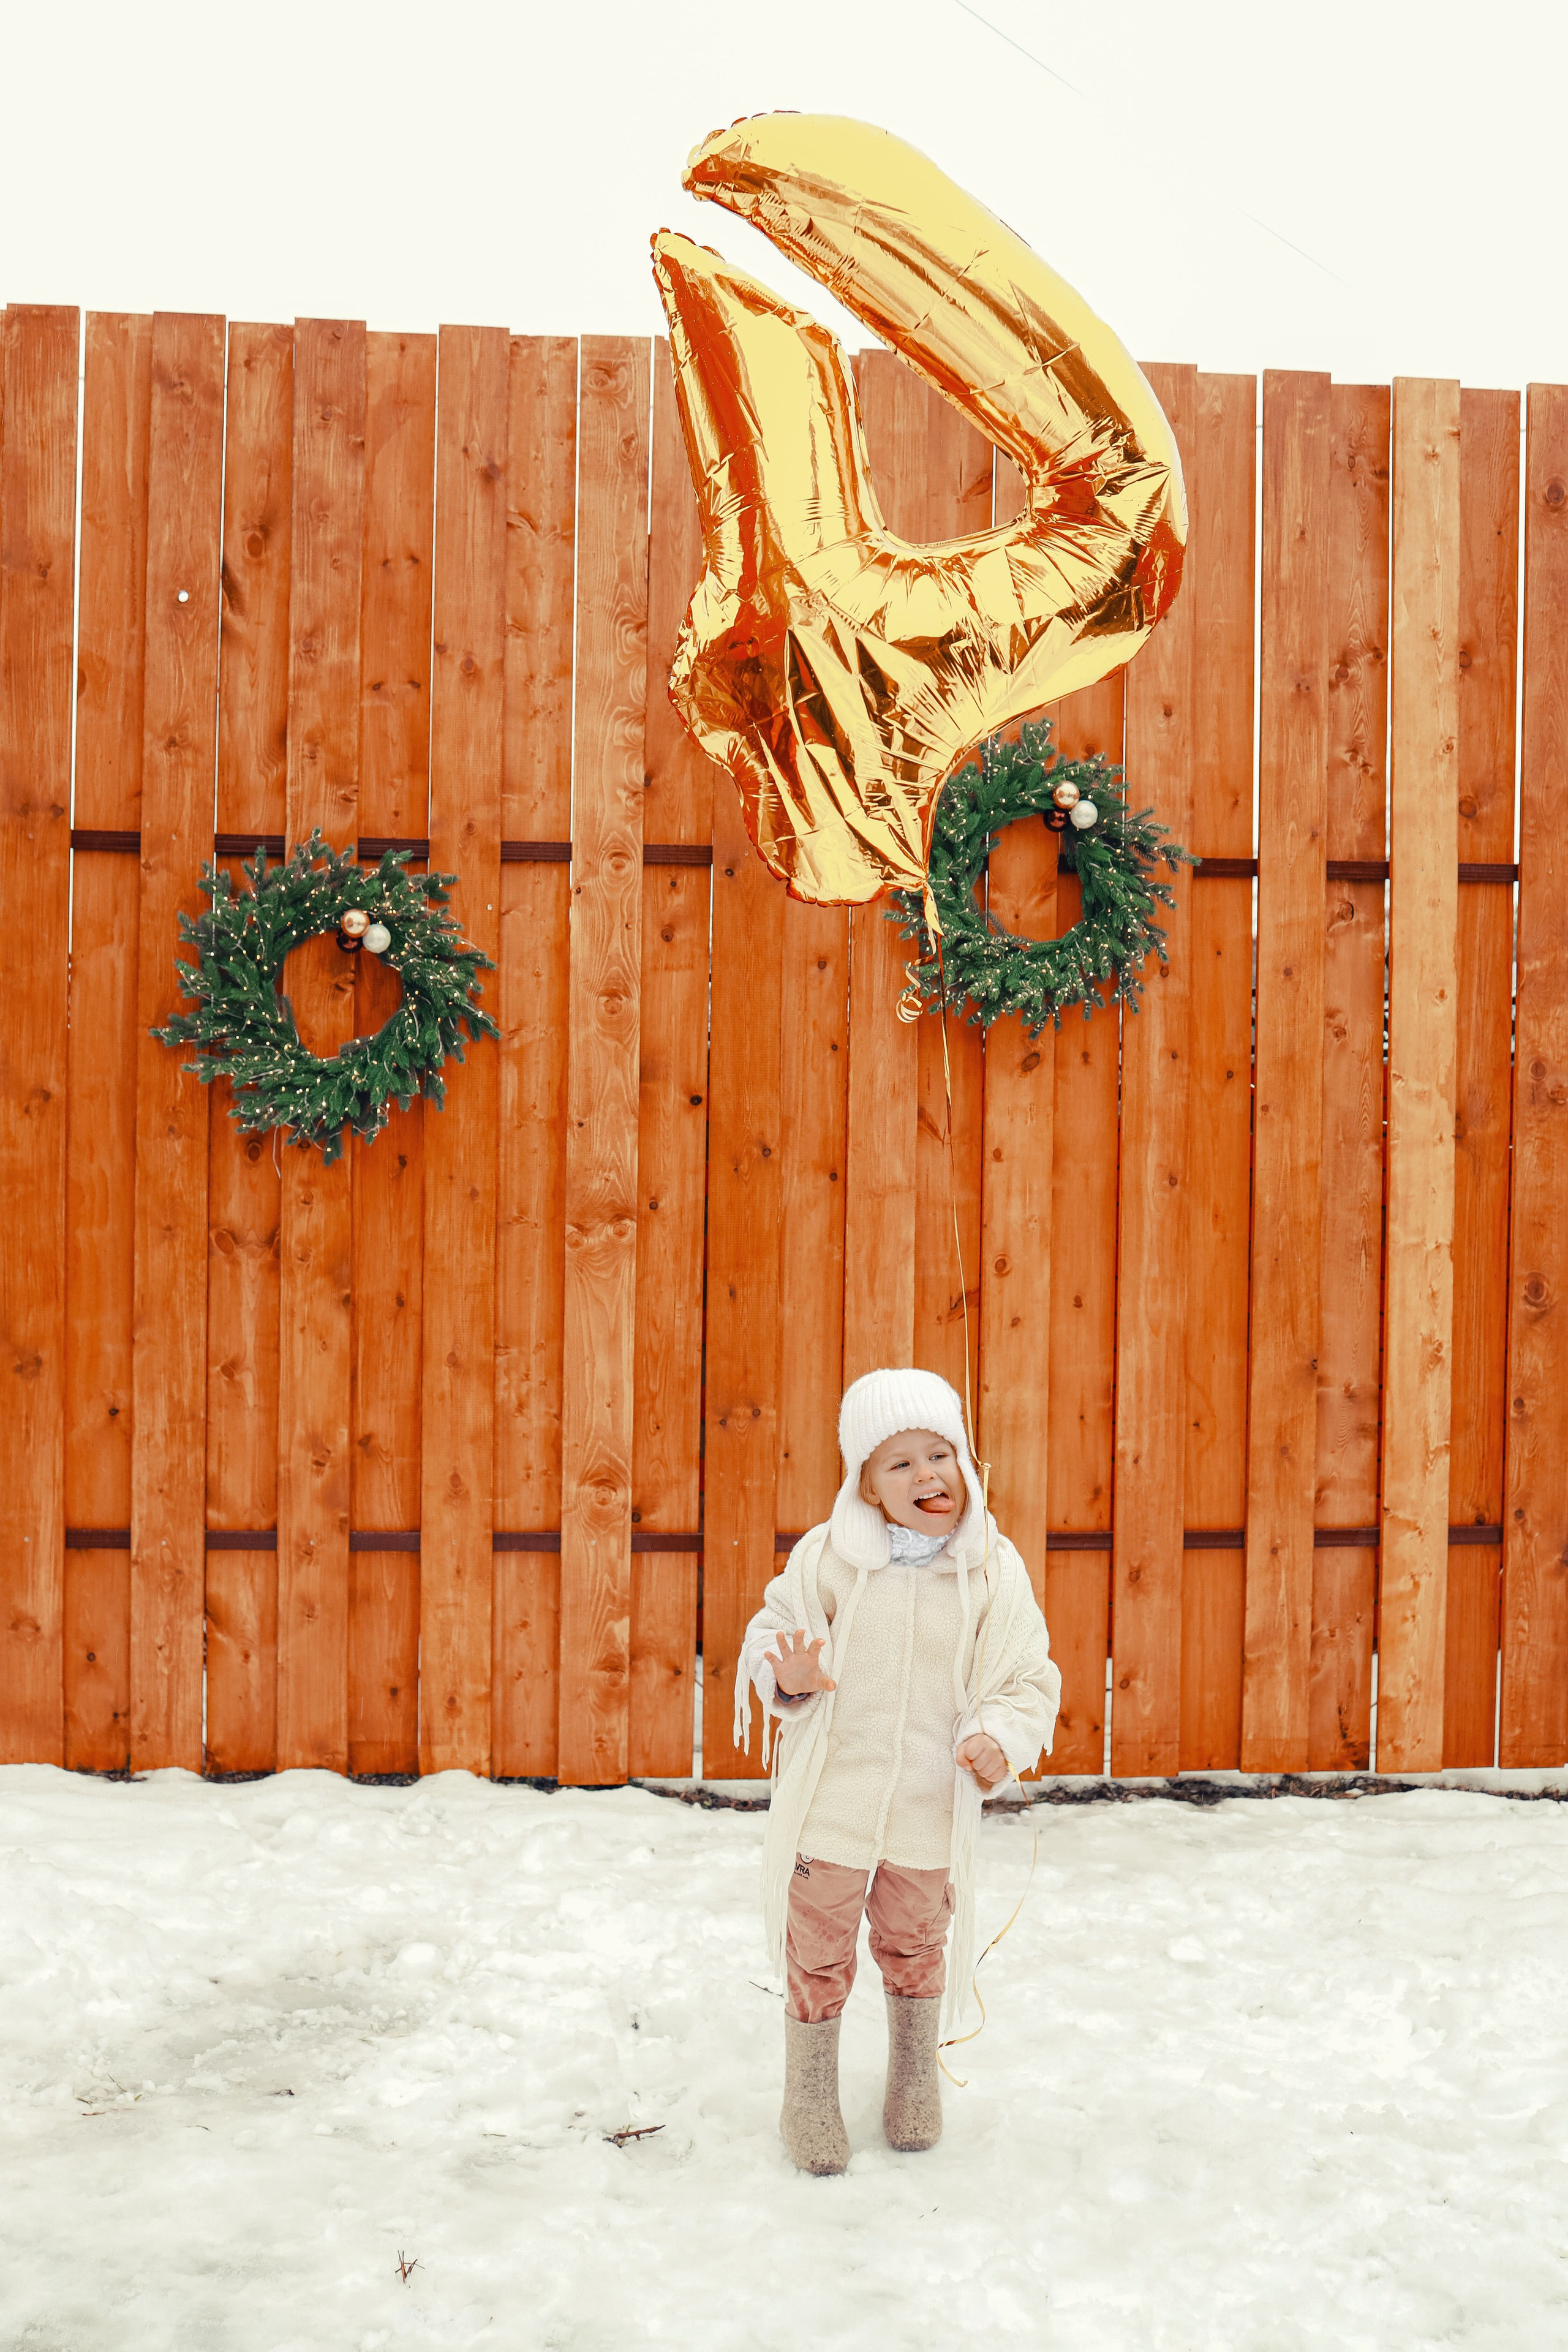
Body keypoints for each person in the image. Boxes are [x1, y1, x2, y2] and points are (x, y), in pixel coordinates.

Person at [734, 1367, 1061, 2175]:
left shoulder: (992, 1567)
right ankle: (808, 2093)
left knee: (916, 1941)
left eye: (940, 1454)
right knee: (819, 1945)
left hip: (926, 1803)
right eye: (900, 1464)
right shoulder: (831, 1560)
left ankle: (915, 2075)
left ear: (965, 1464)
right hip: (832, 1804)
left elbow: (1026, 1675)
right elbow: (772, 1636)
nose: (927, 1476)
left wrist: (997, 1735)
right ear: (869, 1489)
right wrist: (791, 1675)